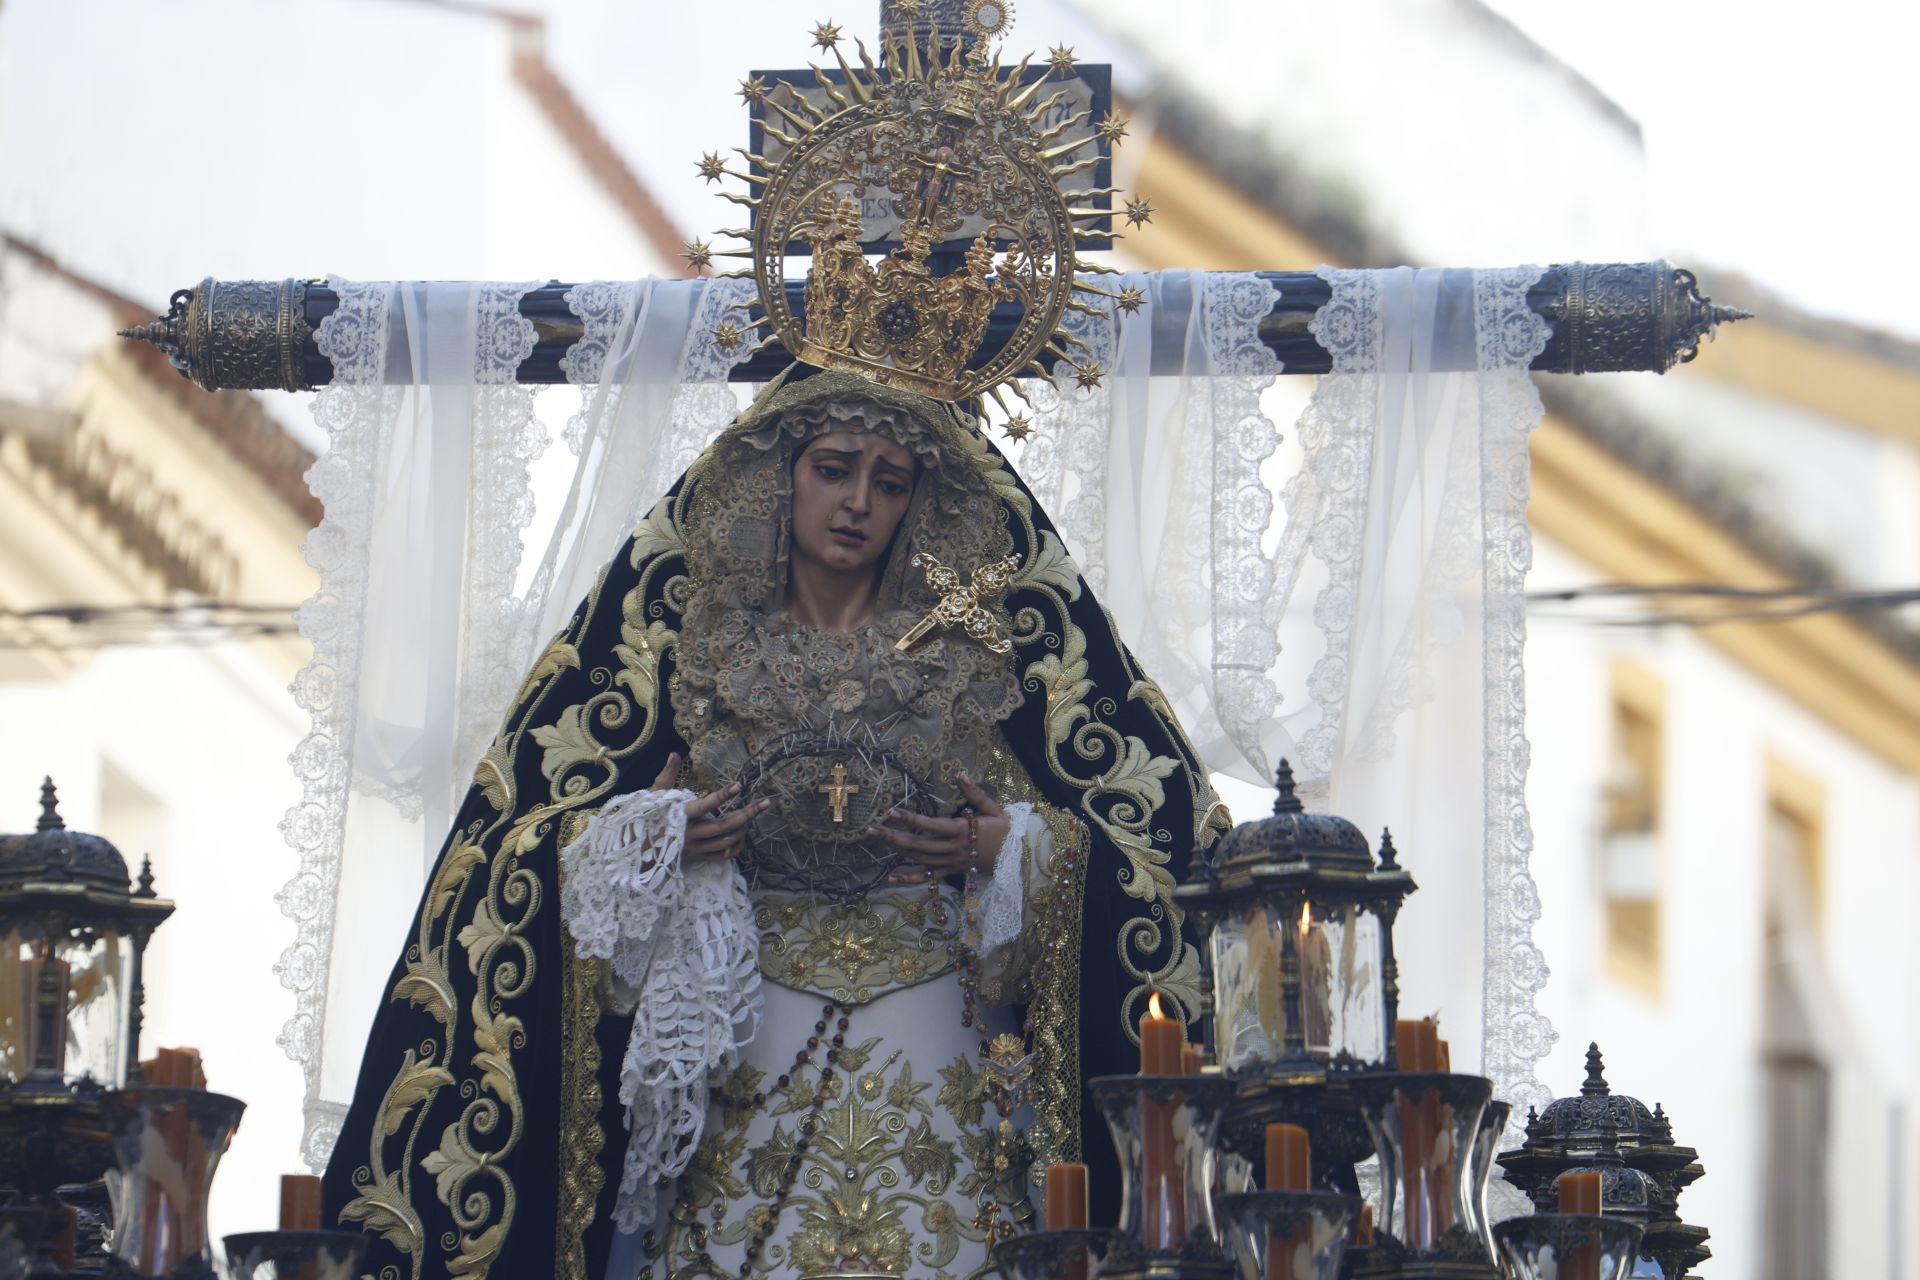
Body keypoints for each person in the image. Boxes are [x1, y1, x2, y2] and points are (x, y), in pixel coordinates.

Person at [319, 368, 1229, 1280]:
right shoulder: (687, 647)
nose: (857, 503)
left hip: (937, 1017)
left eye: (889, 480)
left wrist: (1019, 852)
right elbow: (516, 849)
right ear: (780, 474)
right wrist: (653, 838)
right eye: (833, 469)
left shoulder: (980, 655)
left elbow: (1154, 857)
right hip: (750, 1025)